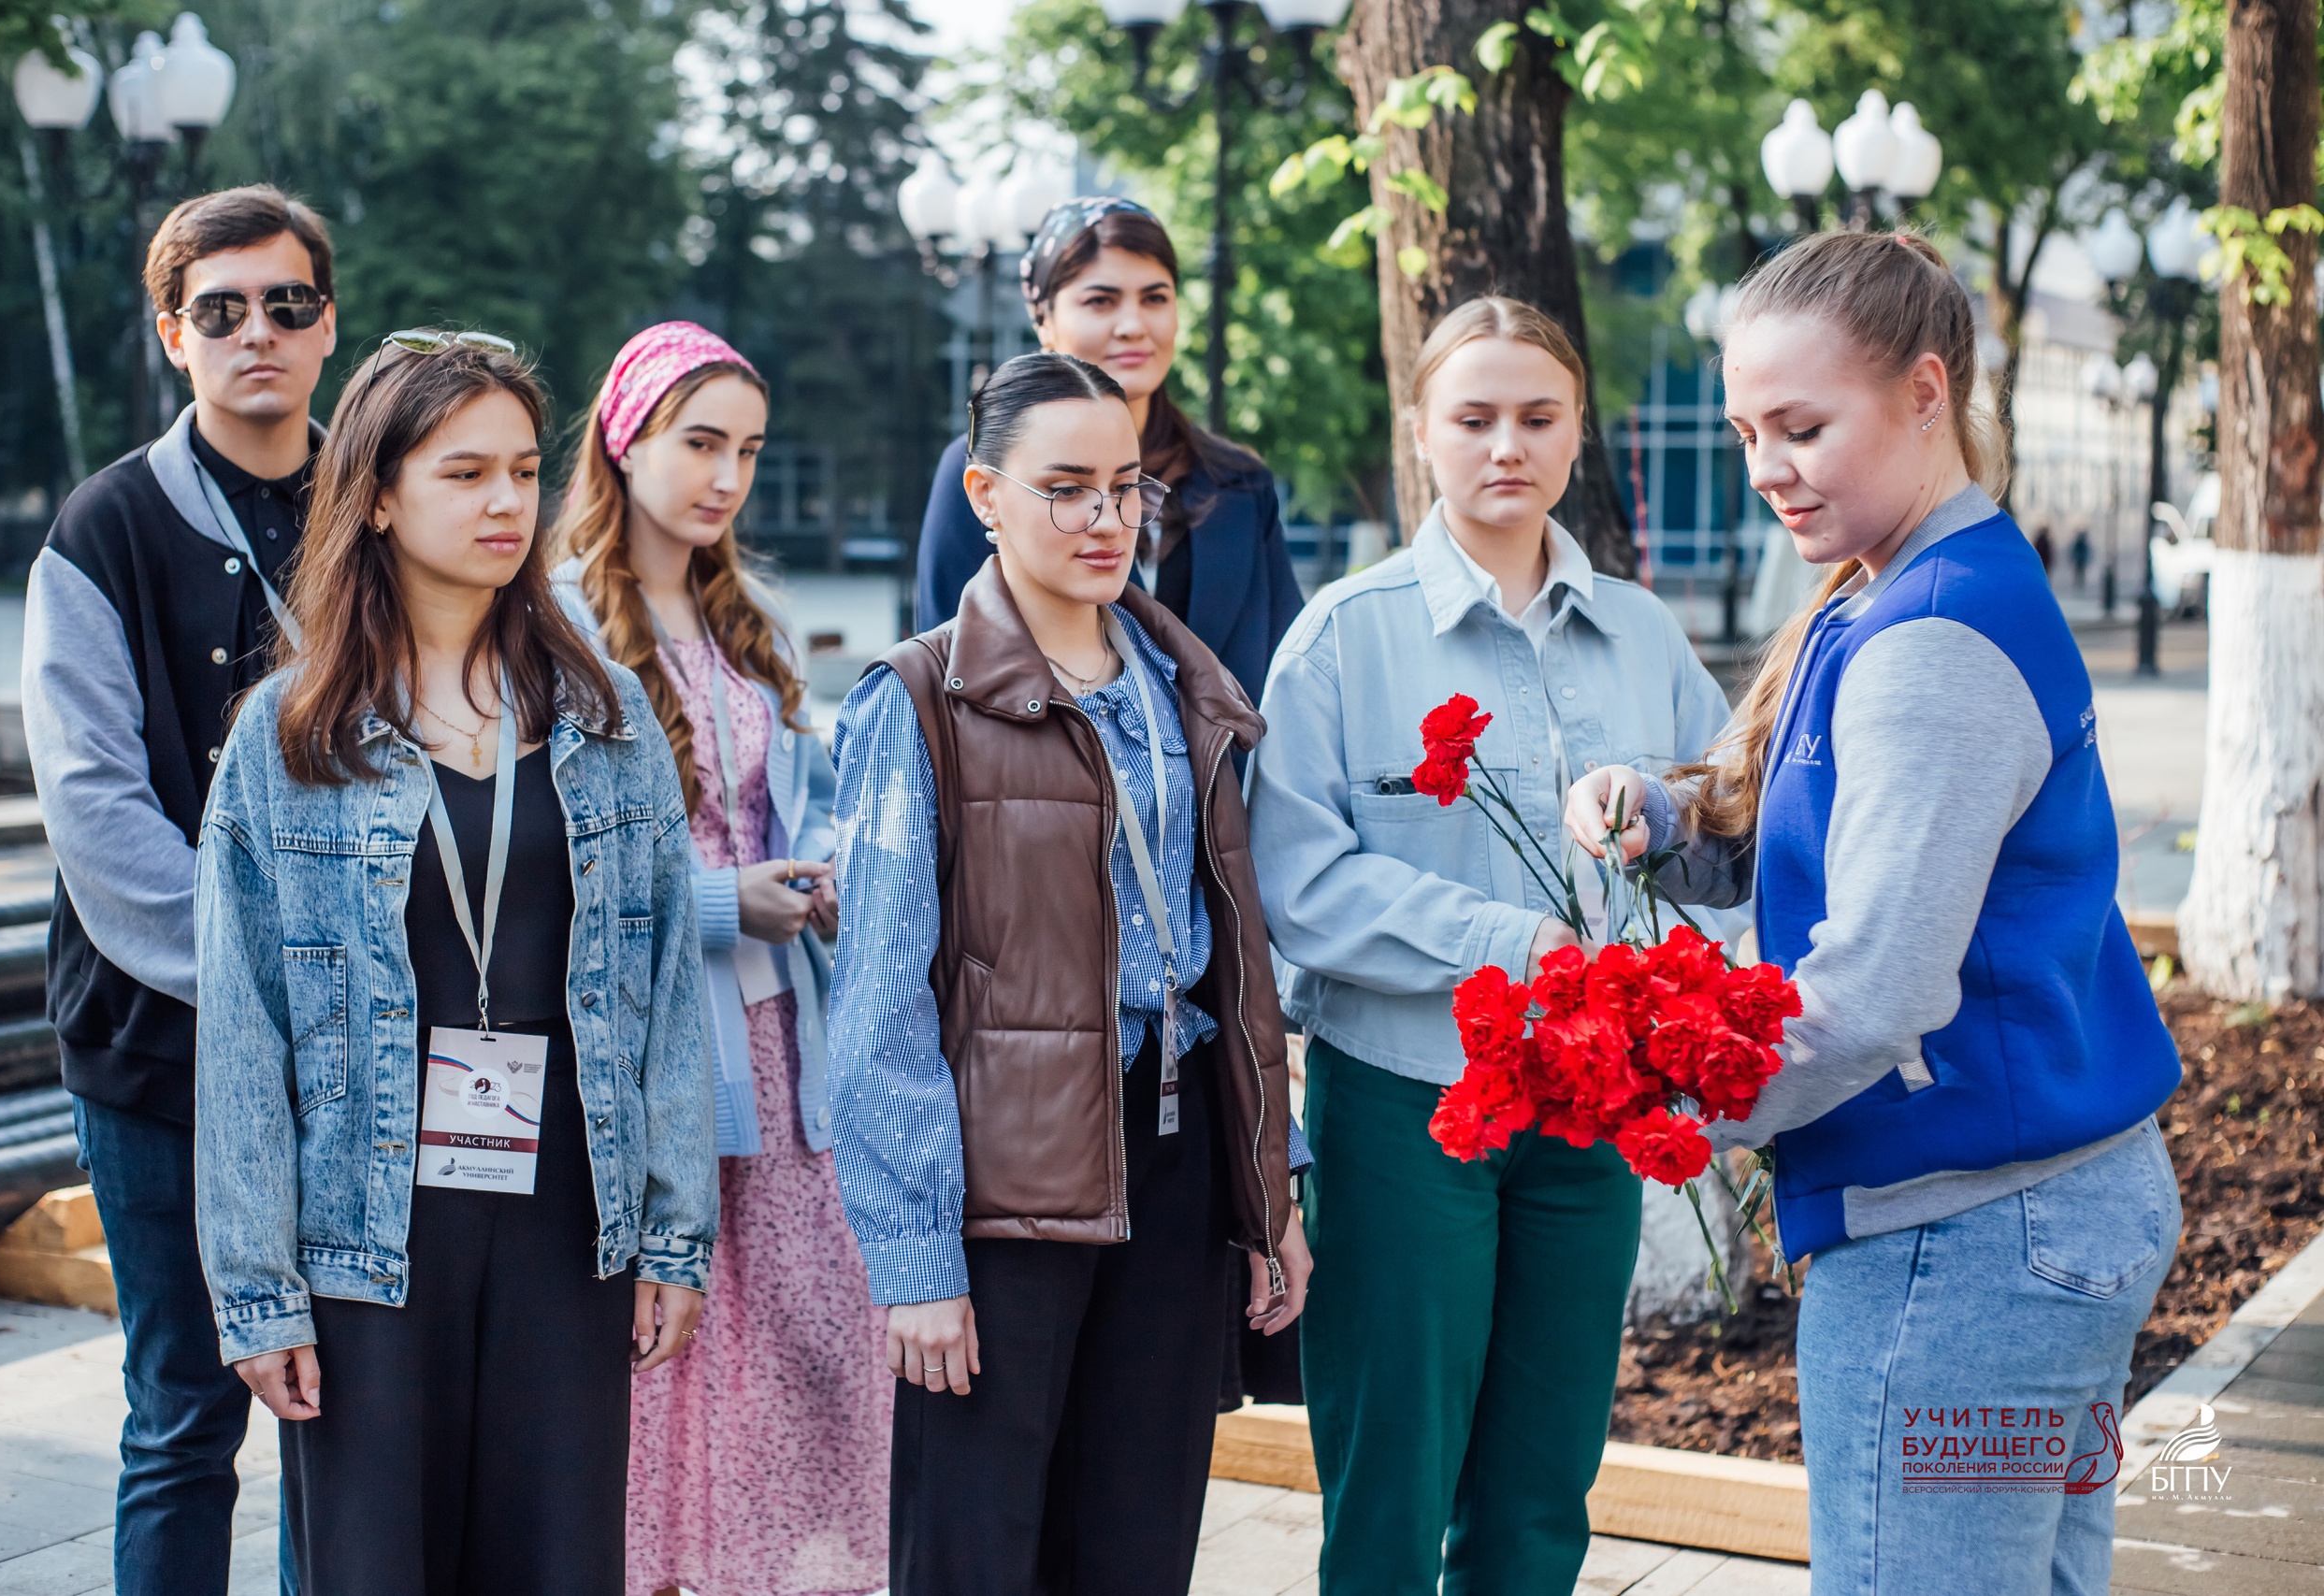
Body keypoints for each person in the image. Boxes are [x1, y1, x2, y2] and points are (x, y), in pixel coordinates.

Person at [1565, 231, 2181, 1595]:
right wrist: (1664, 818)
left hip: (1965, 1240)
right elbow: (1810, 838)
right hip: (2037, 1210)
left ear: (1923, 392)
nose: (1765, 466)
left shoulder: (1928, 638)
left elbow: (1870, 996)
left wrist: (1650, 1100)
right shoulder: (1906, 582)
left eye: (1802, 427)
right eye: (1747, 433)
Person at [190, 331, 719, 1594]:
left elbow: (663, 996)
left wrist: (674, 1234)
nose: (505, 502)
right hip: (370, 1223)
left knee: (558, 1561)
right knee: (377, 1564)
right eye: (465, 472)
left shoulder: (603, 715)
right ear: (377, 496)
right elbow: (243, 1032)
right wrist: (260, 1293)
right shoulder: (288, 734)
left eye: (524, 471)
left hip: (566, 1205)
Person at [1245, 296, 1731, 1596]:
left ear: (1578, 434)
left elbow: (1728, 834)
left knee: (1544, 1474)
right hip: (1407, 1108)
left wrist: (1663, 824)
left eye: (1537, 416)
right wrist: (1510, 941)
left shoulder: (1644, 633)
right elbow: (1300, 886)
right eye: (1473, 417)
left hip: (1592, 1113)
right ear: (1421, 432)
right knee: (1391, 1478)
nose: (1506, 444)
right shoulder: (1342, 637)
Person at [830, 351, 1313, 1595]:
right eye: (1066, 489)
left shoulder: (1181, 684)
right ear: (985, 494)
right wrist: (917, 1259)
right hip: (1003, 1167)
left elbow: (1232, 957)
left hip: (1175, 1146)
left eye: (1125, 487)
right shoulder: (919, 698)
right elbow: (879, 1004)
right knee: (976, 1548)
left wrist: (1271, 1186)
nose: (1107, 518)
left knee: (1136, 1539)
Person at [21, 184, 335, 1596]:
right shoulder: (101, 529)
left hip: (356, 1055)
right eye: (220, 309)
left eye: (285, 303)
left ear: (327, 324)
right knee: (183, 1415)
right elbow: (97, 816)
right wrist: (275, 982)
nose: (254, 331)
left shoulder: (384, 508)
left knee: (343, 1412)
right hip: (158, 1047)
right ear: (172, 333)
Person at [551, 322, 890, 1596]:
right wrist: (716, 902)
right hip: (657, 1051)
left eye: (747, 450)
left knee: (806, 1351)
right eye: (701, 443)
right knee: (665, 1357)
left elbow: (800, 806)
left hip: (787, 1046)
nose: (728, 477)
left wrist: (826, 874)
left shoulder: (751, 622)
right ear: (623, 440)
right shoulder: (555, 623)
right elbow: (547, 868)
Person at [914, 197, 1301, 716]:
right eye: (1101, 301)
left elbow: (1289, 673)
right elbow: (949, 667)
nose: (1133, 325)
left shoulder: (1239, 483)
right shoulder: (992, 474)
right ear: (1043, 318)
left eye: (1155, 298)